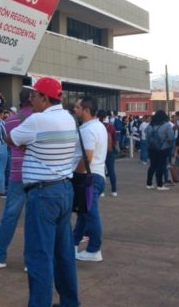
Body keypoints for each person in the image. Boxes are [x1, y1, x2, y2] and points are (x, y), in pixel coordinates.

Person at [8, 77, 81, 307]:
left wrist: (27, 144)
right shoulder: (69, 118)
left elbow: (12, 138)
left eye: (34, 96)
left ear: (43, 98)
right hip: (64, 189)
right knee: (64, 254)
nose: (31, 101)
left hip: (42, 194)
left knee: (39, 256)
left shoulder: (37, 120)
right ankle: (70, 302)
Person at [0, 88, 33, 269]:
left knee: (10, 216)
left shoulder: (10, 120)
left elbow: (11, 141)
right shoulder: (40, 120)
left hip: (16, 173)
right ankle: (30, 261)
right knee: (33, 219)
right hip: (36, 175)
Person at [73, 97, 108, 263]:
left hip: (88, 177)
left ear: (86, 110)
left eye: (77, 107)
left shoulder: (88, 130)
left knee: (90, 214)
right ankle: (73, 245)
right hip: (96, 175)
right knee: (83, 214)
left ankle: (94, 249)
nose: (74, 110)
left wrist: (77, 175)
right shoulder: (99, 126)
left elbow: (87, 156)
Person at [145, 110, 174, 190]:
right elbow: (171, 137)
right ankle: (160, 185)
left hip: (152, 148)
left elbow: (146, 134)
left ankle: (149, 183)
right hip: (163, 148)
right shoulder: (167, 125)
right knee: (161, 166)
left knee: (152, 166)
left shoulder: (150, 125)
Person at [98, 110, 118, 197]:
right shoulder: (111, 126)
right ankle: (114, 190)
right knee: (111, 170)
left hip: (99, 151)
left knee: (101, 171)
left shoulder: (97, 126)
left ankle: (102, 191)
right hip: (110, 151)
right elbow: (114, 140)